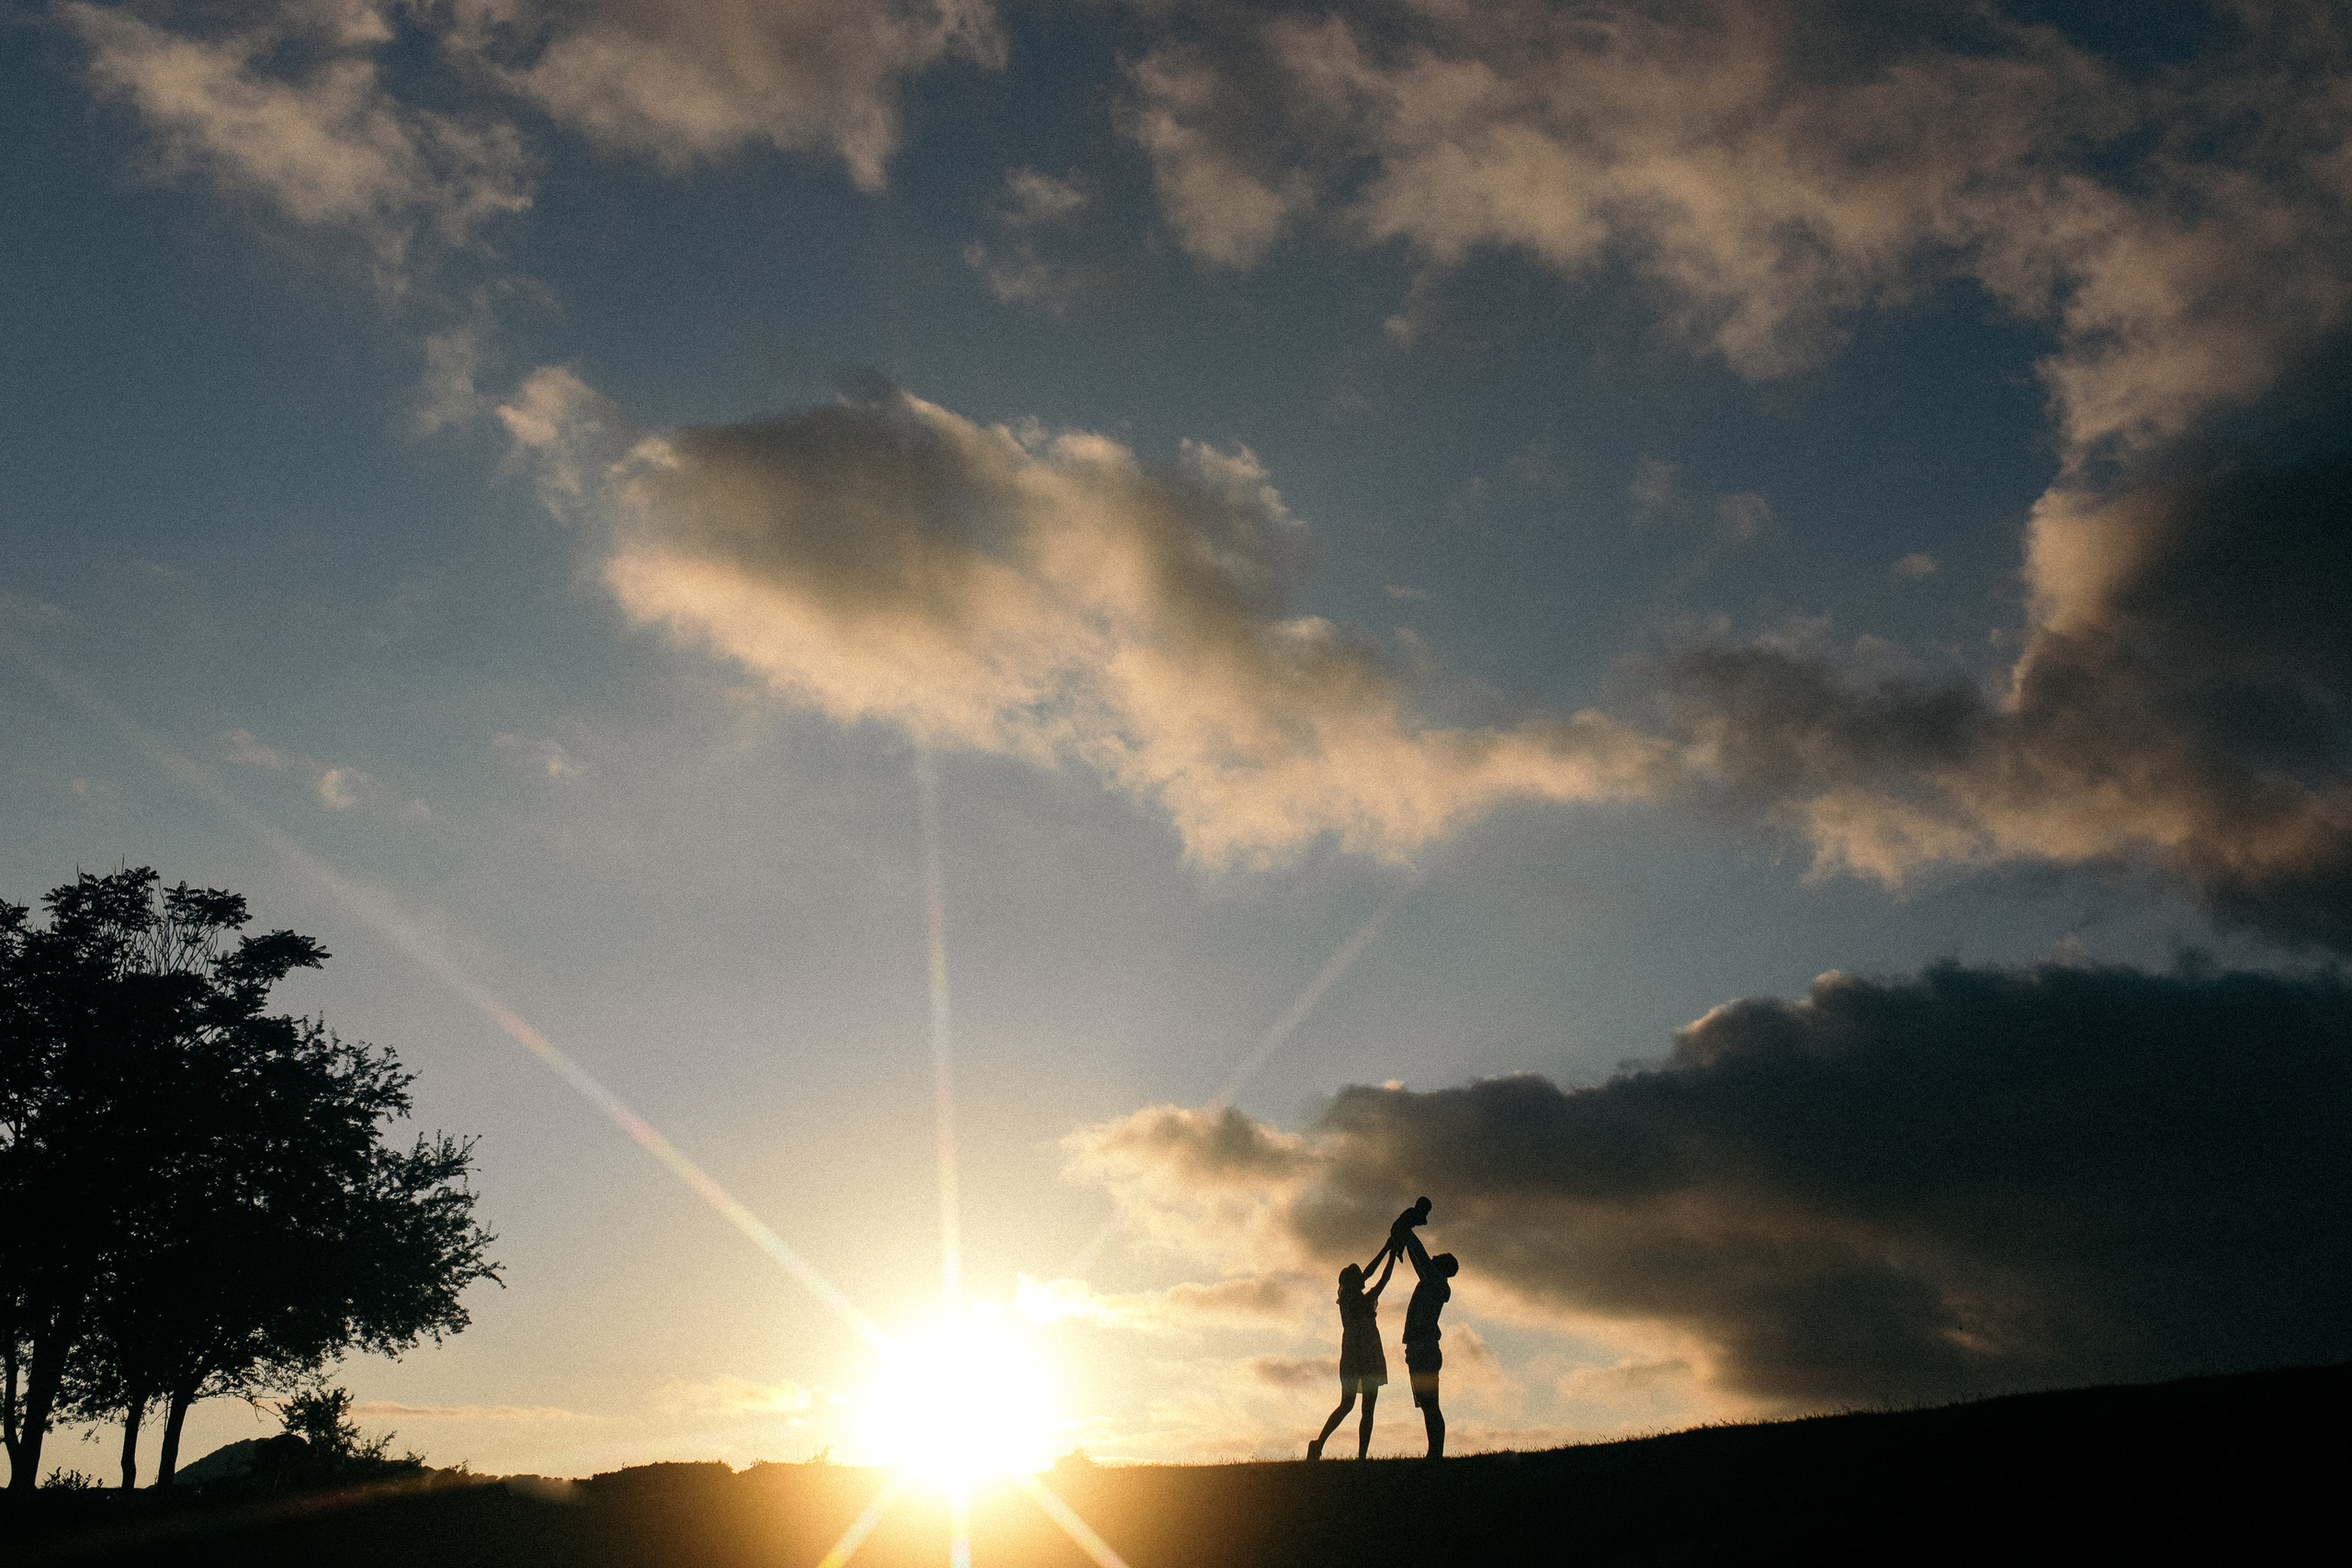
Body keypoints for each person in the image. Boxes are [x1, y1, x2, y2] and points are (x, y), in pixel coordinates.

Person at [1306, 1242, 1399, 1459]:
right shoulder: (1359, 1300)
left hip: (1354, 1356)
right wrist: (1392, 1252)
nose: (1363, 1278)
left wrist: (1388, 1248)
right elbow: (1382, 1278)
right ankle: (1359, 1456)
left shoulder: (1348, 1299)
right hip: (1365, 1356)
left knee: (1349, 1405)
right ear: (1355, 1282)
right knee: (1364, 1408)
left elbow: (1370, 1272)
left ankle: (1321, 1445)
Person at [1392, 1200, 1457, 1460]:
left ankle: (1436, 1453)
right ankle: (1434, 1452)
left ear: (1443, 1268)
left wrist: (1408, 1230)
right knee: (1428, 1404)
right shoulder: (1433, 1282)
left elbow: (1419, 1256)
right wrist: (1407, 1230)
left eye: (1439, 1258)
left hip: (1425, 1349)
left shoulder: (1435, 1282)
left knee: (1431, 1404)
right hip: (1420, 1348)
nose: (1434, 1256)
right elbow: (1419, 1256)